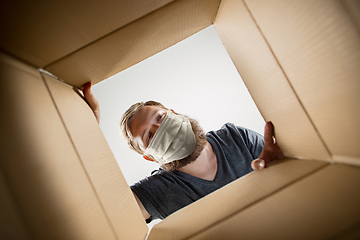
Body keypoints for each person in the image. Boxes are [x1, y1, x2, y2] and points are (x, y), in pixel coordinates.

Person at [82, 82, 284, 223]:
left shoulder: (235, 137)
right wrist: (85, 135)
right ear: (150, 157)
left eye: (160, 117)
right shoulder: (157, 191)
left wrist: (285, 164)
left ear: (174, 113)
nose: (160, 129)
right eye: (149, 136)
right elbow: (107, 213)